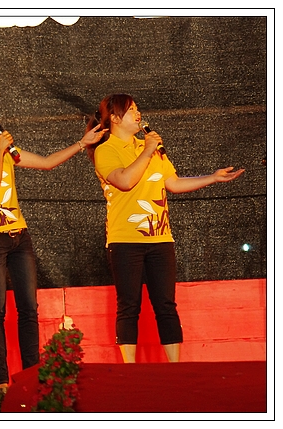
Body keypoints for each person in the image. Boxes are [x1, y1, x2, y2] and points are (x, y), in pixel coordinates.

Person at [0, 92, 106, 392]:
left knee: (29, 308)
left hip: (19, 235)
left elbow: (46, 163)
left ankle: (33, 375)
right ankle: (1, 382)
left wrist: (83, 143)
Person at [85, 93, 244, 363]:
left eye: (137, 108)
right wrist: (147, 150)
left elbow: (173, 183)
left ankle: (175, 369)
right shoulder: (106, 149)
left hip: (160, 238)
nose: (138, 114)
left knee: (166, 305)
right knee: (129, 306)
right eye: (131, 110)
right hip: (125, 240)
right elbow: (125, 181)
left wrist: (212, 178)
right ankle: (130, 370)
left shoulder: (150, 146)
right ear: (114, 118)